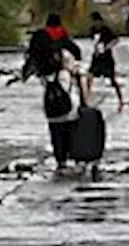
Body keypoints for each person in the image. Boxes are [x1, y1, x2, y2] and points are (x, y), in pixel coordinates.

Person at [17, 14, 84, 171]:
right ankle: (71, 151)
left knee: (54, 122)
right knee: (71, 119)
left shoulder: (40, 40)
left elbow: (31, 62)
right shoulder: (65, 42)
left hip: (49, 86)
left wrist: (23, 75)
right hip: (66, 83)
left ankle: (59, 156)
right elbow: (77, 64)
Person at [88, 11, 127, 111]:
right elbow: (93, 42)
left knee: (112, 80)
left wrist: (108, 46)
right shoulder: (92, 30)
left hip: (107, 57)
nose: (96, 24)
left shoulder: (106, 30)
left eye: (97, 21)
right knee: (89, 77)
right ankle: (86, 98)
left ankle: (121, 100)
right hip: (96, 57)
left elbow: (116, 39)